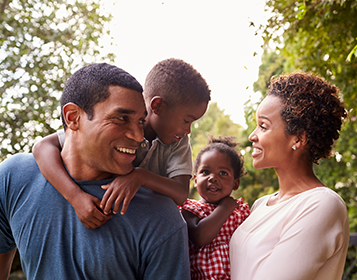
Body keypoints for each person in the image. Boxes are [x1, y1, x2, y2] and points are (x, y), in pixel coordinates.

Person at [0, 63, 191, 279]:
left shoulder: (161, 218)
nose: (139, 136)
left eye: (140, 121)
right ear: (73, 117)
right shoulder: (12, 178)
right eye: (121, 118)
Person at [32, 58, 211, 229]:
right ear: (157, 106)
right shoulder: (114, 128)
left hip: (146, 223)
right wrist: (75, 196)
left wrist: (139, 177)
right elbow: (42, 147)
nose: (188, 130)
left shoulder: (177, 143)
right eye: (187, 121)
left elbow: (180, 194)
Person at [229, 72, 349, 280]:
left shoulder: (321, 204)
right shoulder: (260, 205)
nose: (252, 136)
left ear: (299, 138)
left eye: (263, 126)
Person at [180, 136, 250, 279]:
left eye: (223, 173)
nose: (213, 178)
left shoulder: (241, 211)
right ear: (195, 179)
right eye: (205, 172)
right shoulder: (190, 209)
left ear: (235, 184)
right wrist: (224, 208)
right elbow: (200, 237)